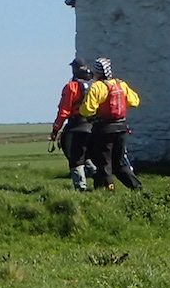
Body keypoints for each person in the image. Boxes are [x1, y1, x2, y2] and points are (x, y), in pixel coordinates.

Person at [79, 57, 143, 191]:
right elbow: (135, 101)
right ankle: (136, 187)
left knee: (104, 163)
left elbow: (87, 110)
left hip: (104, 130)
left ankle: (108, 191)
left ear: (97, 72)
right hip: (121, 128)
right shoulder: (121, 85)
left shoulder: (97, 87)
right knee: (119, 162)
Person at [48, 58, 98, 192]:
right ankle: (99, 179)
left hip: (77, 126)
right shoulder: (96, 85)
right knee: (90, 155)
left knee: (76, 158)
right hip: (95, 126)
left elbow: (64, 111)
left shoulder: (72, 87)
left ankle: (81, 188)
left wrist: (55, 129)